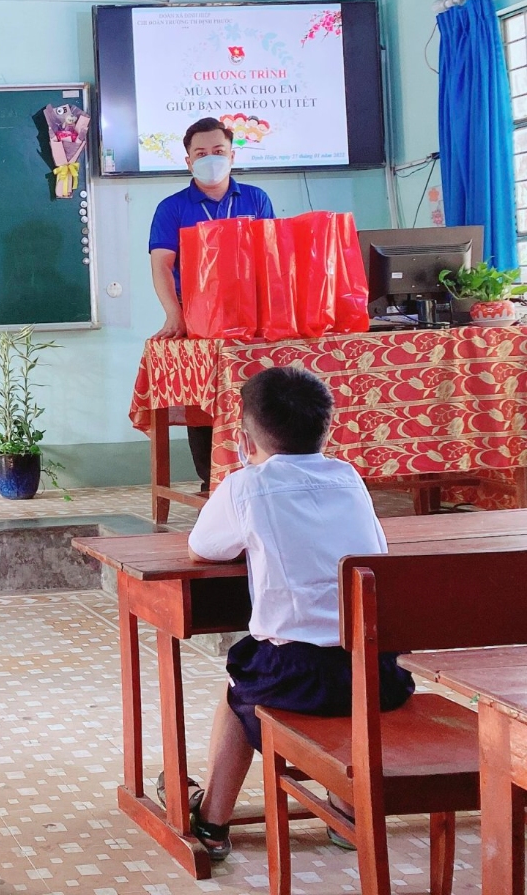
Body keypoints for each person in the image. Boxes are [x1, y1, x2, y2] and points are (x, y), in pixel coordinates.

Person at [173, 366, 412, 860]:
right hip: (378, 673)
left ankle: (212, 823)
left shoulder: (246, 485)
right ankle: (347, 814)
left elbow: (202, 548)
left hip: (298, 676)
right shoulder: (348, 477)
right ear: (328, 429)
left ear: (244, 439)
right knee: (323, 663)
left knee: (241, 685)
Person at [147, 117, 275, 491]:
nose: (211, 159)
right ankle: (211, 481)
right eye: (201, 153)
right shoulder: (172, 208)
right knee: (204, 397)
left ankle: (263, 470)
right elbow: (161, 265)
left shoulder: (256, 199)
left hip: (251, 316)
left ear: (232, 155)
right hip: (197, 317)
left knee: (259, 391)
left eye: (218, 151)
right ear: (188, 161)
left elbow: (272, 259)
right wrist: (174, 315)